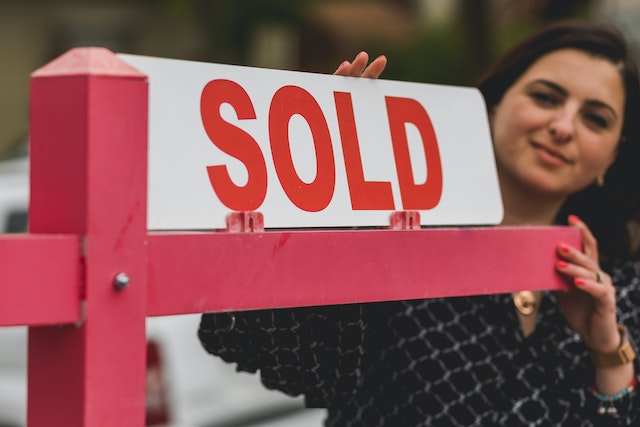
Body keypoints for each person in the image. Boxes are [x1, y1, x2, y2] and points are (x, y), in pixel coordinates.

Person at [198, 19, 640, 426]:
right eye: (546, 97)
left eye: (594, 118)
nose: (563, 126)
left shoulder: (620, 289)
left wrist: (608, 353)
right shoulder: (394, 234)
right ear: (494, 103)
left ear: (613, 155)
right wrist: (312, 188)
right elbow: (280, 363)